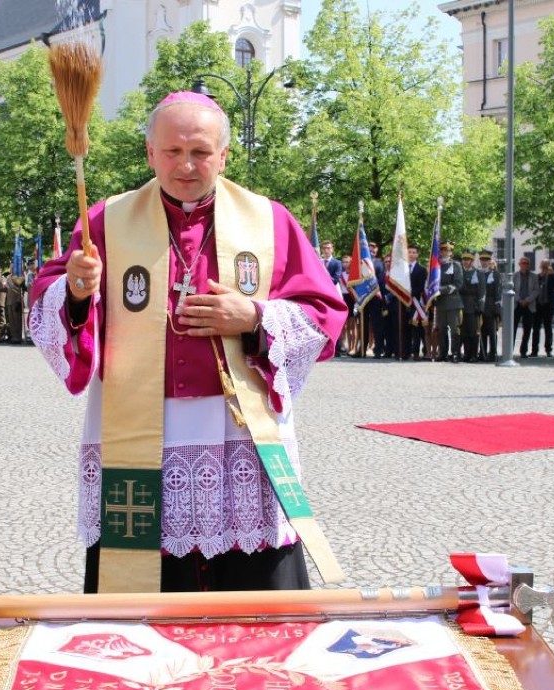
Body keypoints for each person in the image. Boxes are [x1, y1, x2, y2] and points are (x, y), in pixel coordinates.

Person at [29, 91, 347, 594]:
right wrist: (74, 291)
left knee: (253, 592)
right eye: (172, 151)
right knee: (141, 593)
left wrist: (255, 317)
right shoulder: (105, 221)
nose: (186, 165)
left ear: (223, 155)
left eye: (200, 152)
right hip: (138, 425)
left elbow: (325, 314)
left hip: (240, 428)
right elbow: (46, 305)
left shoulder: (269, 220)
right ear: (150, 153)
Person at [434, 241, 464, 362]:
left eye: (448, 250)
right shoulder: (436, 265)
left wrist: (441, 290)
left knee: (454, 329)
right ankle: (443, 353)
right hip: (440, 303)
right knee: (441, 329)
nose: (445, 252)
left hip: (453, 302)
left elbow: (458, 284)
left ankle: (456, 353)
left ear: (451, 252)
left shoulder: (455, 265)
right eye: (443, 250)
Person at [459, 249, 485, 362]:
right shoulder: (460, 272)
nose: (466, 262)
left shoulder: (478, 273)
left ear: (472, 260)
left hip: (473, 306)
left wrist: (481, 307)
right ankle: (466, 353)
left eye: (468, 259)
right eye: (464, 259)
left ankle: (474, 354)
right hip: (461, 305)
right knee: (463, 332)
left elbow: (482, 292)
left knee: (474, 332)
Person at [532, 258, 554, 357]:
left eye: (546, 265)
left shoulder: (552, 276)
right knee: (536, 329)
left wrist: (553, 273)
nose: (544, 267)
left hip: (548, 305)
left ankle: (548, 350)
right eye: (543, 265)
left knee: (548, 328)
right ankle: (534, 350)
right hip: (538, 305)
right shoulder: (538, 277)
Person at [512, 256, 539, 358]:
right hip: (516, 305)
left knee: (527, 329)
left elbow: (536, 290)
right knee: (513, 328)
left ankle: (523, 351)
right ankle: (510, 351)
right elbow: (512, 289)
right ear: (519, 264)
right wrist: (518, 299)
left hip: (529, 305)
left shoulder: (534, 276)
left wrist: (527, 300)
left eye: (527, 263)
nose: (525, 265)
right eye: (523, 263)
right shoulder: (514, 276)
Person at [478, 250, 501, 361]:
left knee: (492, 332)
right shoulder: (477, 273)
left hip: (491, 306)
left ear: (490, 261)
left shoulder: (495, 275)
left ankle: (493, 353)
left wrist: (497, 309)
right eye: (482, 260)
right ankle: (482, 353)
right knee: (481, 331)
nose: (484, 262)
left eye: (486, 260)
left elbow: (498, 292)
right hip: (480, 306)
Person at [406, 245, 427, 360]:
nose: (411, 254)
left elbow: (421, 287)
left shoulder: (421, 269)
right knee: (406, 328)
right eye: (409, 252)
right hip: (404, 302)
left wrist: (410, 294)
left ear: (417, 255)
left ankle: (416, 352)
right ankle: (405, 351)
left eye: (414, 252)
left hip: (417, 302)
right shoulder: (402, 269)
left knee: (417, 330)